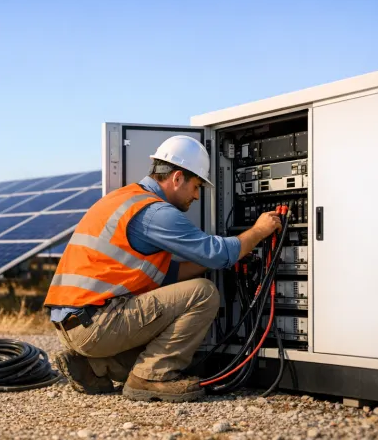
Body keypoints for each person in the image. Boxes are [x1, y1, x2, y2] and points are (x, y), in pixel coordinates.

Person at [44, 135, 281, 402]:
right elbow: (217, 254)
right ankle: (151, 378)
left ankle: (95, 367)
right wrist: (259, 231)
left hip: (76, 324)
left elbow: (168, 276)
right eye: (196, 185)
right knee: (203, 293)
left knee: (171, 325)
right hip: (97, 324)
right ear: (177, 178)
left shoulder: (124, 199)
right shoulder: (155, 213)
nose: (196, 195)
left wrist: (224, 257)